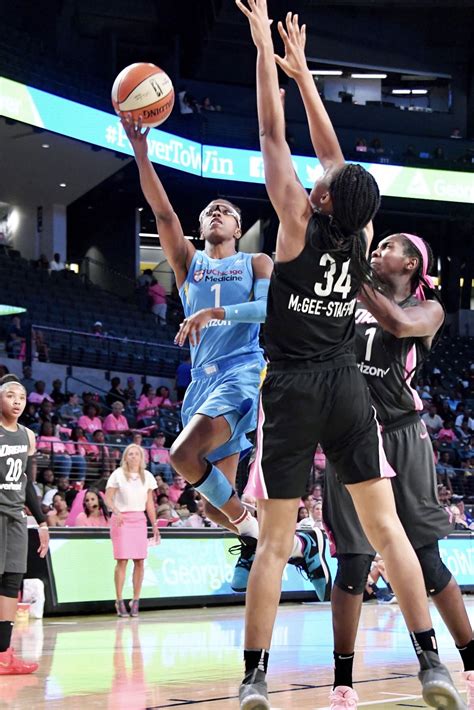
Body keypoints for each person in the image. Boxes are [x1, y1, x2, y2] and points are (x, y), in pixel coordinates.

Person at [236, 4, 463, 709]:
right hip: (347, 391)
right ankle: (433, 665)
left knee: (273, 543)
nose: (317, 179)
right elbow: (334, 158)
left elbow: (273, 132)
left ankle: (254, 678)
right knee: (387, 529)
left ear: (324, 198)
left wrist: (261, 51)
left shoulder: (298, 225)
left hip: (295, 390)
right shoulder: (360, 231)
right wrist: (304, 72)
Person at [323, 232, 474, 706]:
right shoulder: (349, 292)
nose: (376, 250)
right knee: (352, 562)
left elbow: (394, 320)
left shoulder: (428, 311)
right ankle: (343, 682)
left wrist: (354, 269)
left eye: (386, 246)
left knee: (426, 559)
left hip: (401, 433)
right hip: (349, 434)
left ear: (411, 263)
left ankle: (470, 663)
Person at [122, 111, 273, 549]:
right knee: (211, 507)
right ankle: (296, 548)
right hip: (200, 382)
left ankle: (252, 531)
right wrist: (141, 153)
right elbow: (163, 212)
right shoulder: (191, 263)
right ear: (201, 226)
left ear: (239, 228)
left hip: (242, 371)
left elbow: (265, 311)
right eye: (210, 211)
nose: (217, 214)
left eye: (226, 211)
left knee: (182, 454)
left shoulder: (255, 262)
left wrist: (214, 314)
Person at [0, 374, 49, 674]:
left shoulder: (28, 436)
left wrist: (42, 521)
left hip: (16, 517)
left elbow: (26, 483)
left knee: (11, 584)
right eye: (10, 395)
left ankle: (4, 653)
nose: (17, 401)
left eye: (21, 396)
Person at [105, 444, 160, 617]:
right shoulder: (118, 475)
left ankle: (135, 600)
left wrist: (155, 525)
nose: (134, 456)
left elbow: (149, 503)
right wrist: (116, 511)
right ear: (125, 457)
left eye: (137, 454)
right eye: (130, 454)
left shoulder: (148, 477)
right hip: (121, 520)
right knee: (122, 560)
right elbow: (107, 498)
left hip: (139, 519)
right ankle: (119, 599)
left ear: (141, 457)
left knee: (139, 561)